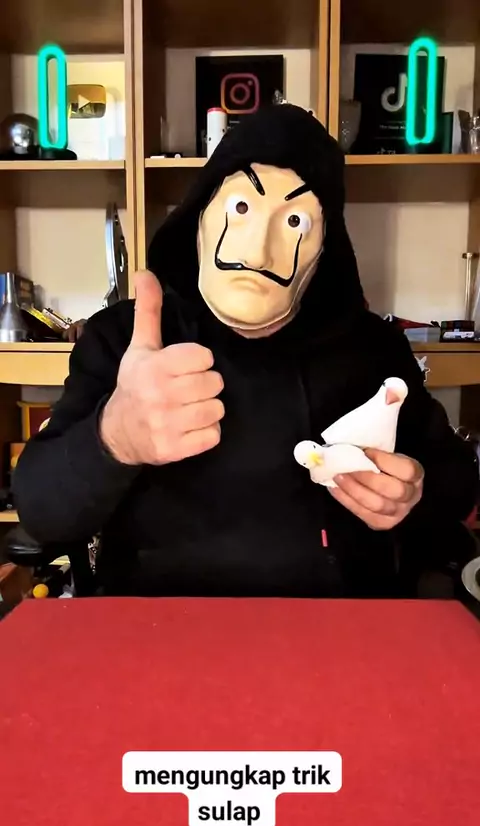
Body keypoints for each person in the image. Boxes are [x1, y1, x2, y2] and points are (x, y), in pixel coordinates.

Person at [13, 105, 478, 597]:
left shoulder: (372, 349)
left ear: (325, 249)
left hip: (337, 625)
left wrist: (414, 493)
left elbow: (457, 481)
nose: (258, 251)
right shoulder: (125, 339)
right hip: (156, 624)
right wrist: (115, 439)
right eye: (241, 208)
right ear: (200, 216)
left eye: (295, 221)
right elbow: (42, 509)